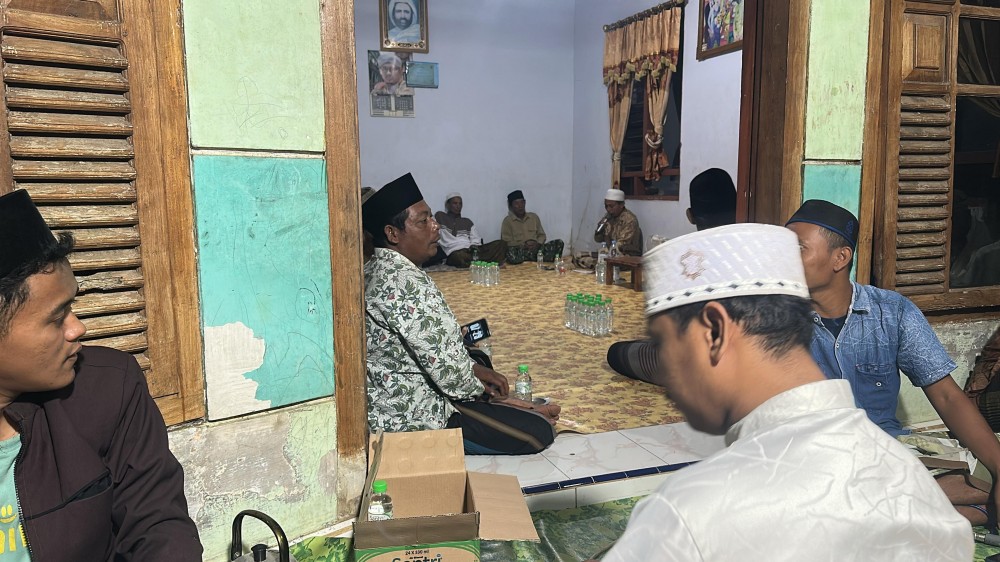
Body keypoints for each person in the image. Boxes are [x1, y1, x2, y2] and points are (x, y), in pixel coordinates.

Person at [599, 223, 972, 562]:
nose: (667, 378)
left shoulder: (687, 514)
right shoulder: (914, 485)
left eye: (665, 343)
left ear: (714, 332)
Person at [0, 190, 202, 560]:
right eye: (57, 317)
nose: (78, 329)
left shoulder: (108, 387)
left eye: (71, 307)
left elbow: (157, 524)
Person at [786, 199, 1000, 526]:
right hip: (812, 460)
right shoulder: (776, 318)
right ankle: (950, 514)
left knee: (978, 472)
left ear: (840, 258)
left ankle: (892, 511)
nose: (784, 258)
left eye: (798, 248)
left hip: (887, 452)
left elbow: (946, 396)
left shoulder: (892, 312)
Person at [362, 173, 559, 455]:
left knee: (475, 357)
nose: (436, 226)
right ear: (393, 234)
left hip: (395, 397)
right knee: (537, 432)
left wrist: (471, 365)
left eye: (432, 217)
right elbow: (452, 378)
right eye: (423, 221)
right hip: (417, 416)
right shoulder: (405, 282)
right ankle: (511, 408)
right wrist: (481, 384)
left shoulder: (375, 268)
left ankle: (507, 406)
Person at [606, 169, 737, 382]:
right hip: (752, 361)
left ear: (690, 215)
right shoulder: (753, 247)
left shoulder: (690, 259)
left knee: (618, 353)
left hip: (700, 363)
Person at [433, 192, 507, 268]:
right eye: (455, 203)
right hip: (453, 252)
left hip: (470, 250)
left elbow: (476, 239)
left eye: (460, 204)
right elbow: (432, 232)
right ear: (447, 205)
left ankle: (477, 262)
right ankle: (484, 263)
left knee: (501, 244)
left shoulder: (467, 222)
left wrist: (474, 247)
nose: (458, 206)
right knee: (459, 256)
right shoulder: (440, 216)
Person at [500, 189, 563, 265]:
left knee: (559, 243)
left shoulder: (533, 217)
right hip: (521, 251)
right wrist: (523, 245)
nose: (520, 206)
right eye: (516, 203)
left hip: (536, 249)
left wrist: (537, 243)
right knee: (511, 254)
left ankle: (535, 257)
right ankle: (538, 258)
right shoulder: (507, 221)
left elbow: (542, 235)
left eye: (522, 202)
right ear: (511, 206)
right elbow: (506, 242)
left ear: (525, 203)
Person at [594, 188, 642, 256]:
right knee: (581, 257)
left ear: (621, 205)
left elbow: (621, 244)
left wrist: (607, 252)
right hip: (611, 254)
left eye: (611, 206)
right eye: (606, 206)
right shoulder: (608, 217)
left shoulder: (630, 220)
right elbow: (598, 239)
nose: (608, 209)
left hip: (627, 256)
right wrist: (600, 227)